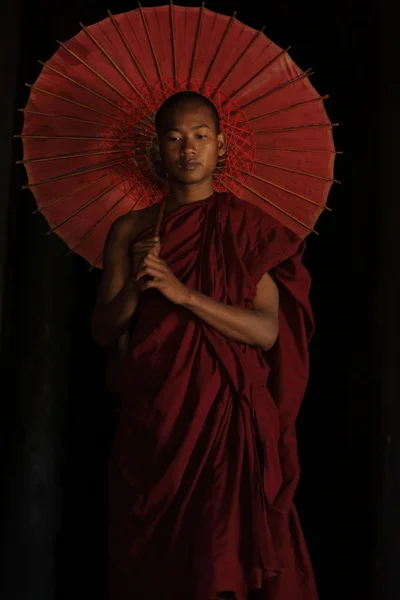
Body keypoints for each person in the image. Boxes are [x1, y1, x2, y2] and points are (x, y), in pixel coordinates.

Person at [91, 91, 317, 600]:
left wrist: (182, 293)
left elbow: (265, 330)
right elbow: (104, 330)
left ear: (220, 145)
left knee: (217, 564)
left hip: (222, 420)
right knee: (152, 569)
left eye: (200, 137)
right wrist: (138, 286)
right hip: (154, 419)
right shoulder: (130, 230)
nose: (187, 149)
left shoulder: (246, 228)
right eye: (173, 138)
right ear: (157, 150)